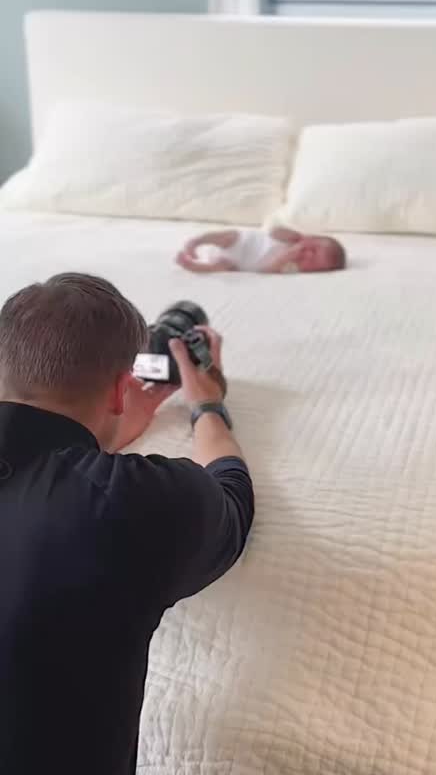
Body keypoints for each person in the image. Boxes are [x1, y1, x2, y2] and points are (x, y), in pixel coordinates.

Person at [0, 272, 253, 775]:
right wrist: (207, 404)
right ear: (121, 388)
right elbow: (232, 494)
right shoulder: (131, 502)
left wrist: (99, 429)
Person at [176, 225, 347, 274]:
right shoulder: (293, 238)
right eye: (313, 249)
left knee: (221, 267)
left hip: (241, 263)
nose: (308, 256)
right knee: (227, 236)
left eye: (314, 263)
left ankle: (193, 266)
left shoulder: (293, 267)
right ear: (310, 238)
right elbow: (273, 231)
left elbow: (269, 270)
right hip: (245, 242)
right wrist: (295, 237)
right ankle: (197, 241)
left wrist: (287, 257)